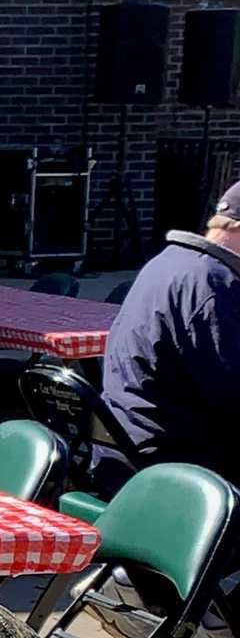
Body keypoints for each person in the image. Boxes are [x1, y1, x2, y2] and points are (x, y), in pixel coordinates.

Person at [102, 181, 240, 491]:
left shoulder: (169, 262)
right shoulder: (212, 285)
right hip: (168, 462)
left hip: (126, 443)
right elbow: (231, 394)